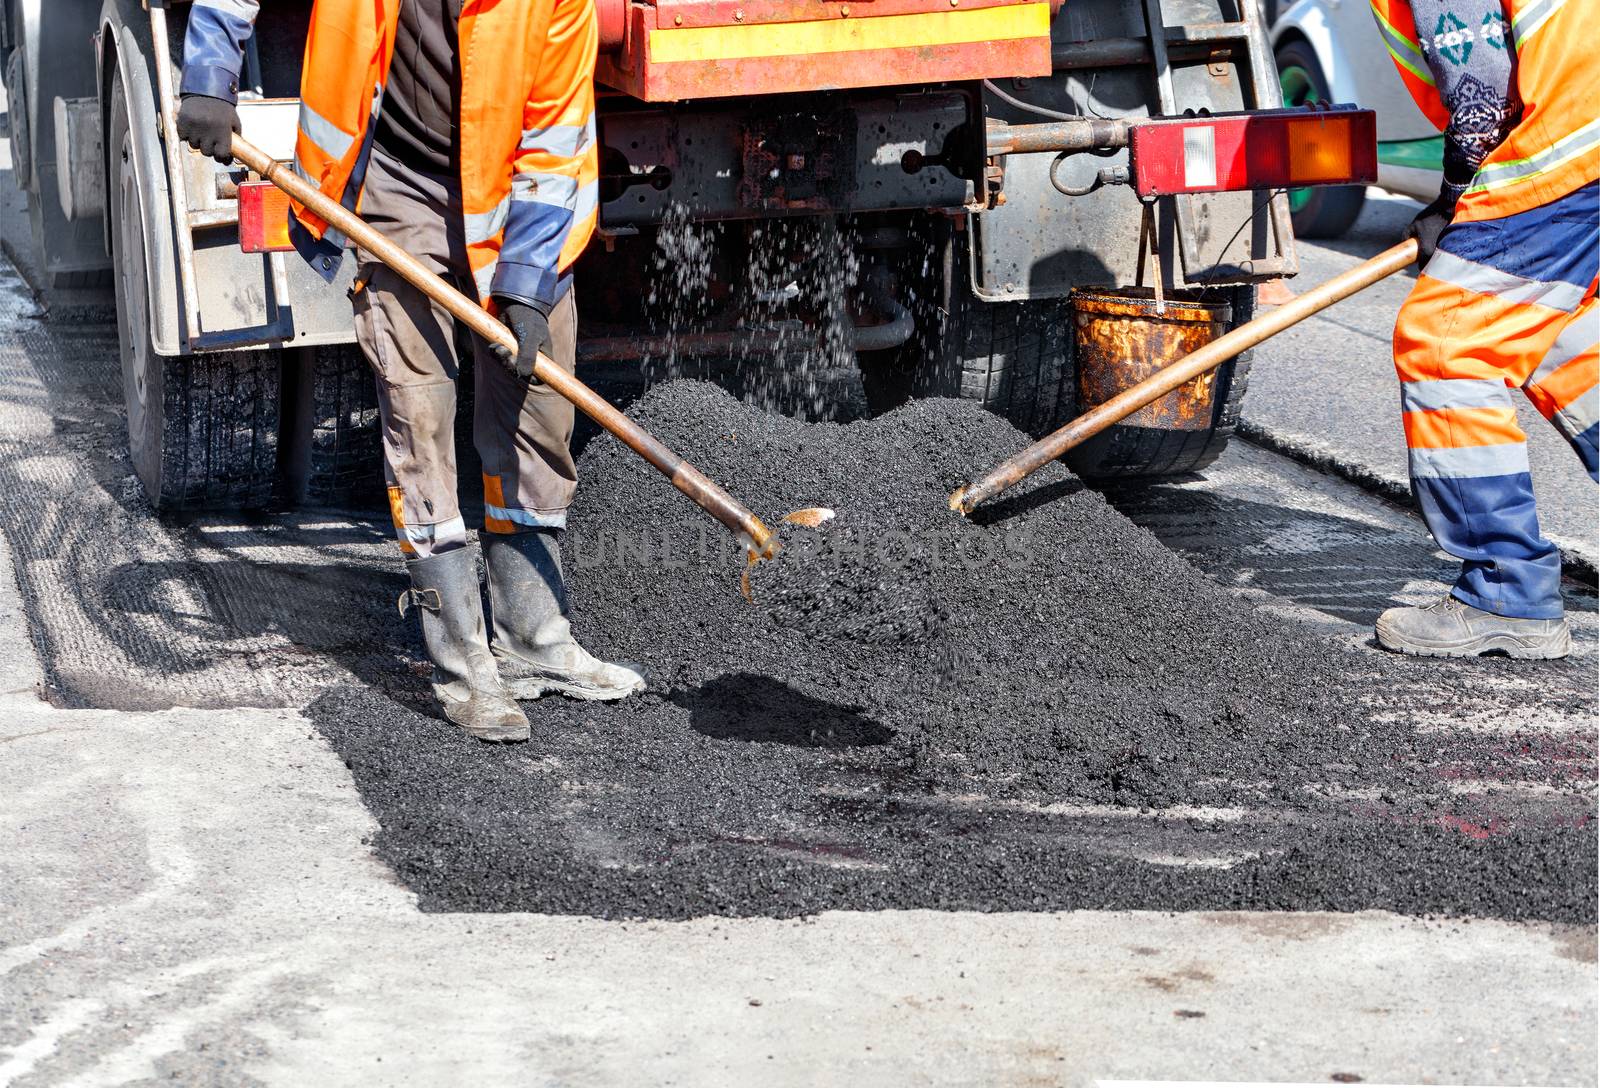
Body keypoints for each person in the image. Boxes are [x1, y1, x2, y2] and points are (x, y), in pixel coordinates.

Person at [177, 0, 645, 741]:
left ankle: (534, 640)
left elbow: (554, 137)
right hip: (394, 186)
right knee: (418, 414)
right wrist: (209, 70)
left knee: (538, 413)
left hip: (512, 196)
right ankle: (465, 668)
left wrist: (525, 284)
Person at [1367, 0, 1597, 659]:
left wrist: (1453, 200)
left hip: (1576, 130)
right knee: (1562, 334)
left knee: (1446, 342)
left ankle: (1507, 592)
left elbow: (1480, 85)